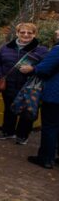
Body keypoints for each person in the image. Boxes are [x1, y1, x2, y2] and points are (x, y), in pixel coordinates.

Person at [0, 22, 47, 144]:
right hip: (9, 84)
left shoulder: (41, 50)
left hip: (29, 86)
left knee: (26, 111)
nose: (26, 35)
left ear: (34, 34)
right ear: (17, 33)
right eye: (22, 32)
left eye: (30, 32)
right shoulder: (6, 48)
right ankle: (8, 131)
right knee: (8, 109)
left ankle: (23, 135)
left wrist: (33, 69)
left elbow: (46, 67)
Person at [32, 28, 59, 169]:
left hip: (55, 95)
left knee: (50, 126)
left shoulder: (58, 49)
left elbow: (43, 69)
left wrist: (33, 68)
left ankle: (46, 158)